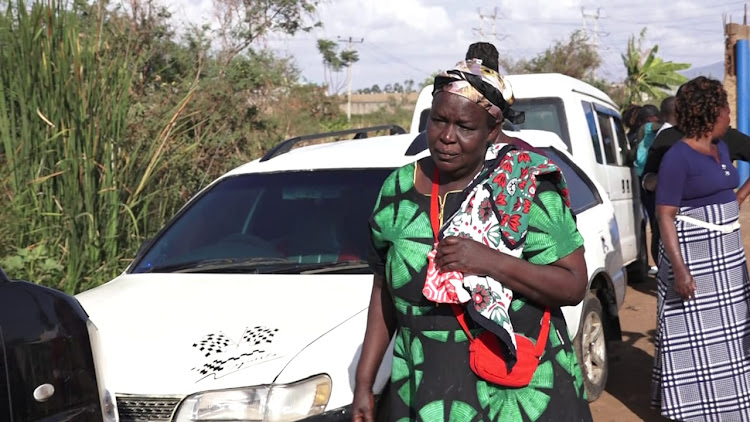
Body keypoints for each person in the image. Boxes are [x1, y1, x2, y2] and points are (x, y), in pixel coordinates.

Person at [352, 59, 592, 421]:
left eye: (465, 126)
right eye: (438, 121)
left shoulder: (524, 188)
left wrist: (490, 261)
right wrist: (364, 383)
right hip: (424, 383)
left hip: (514, 388)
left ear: (492, 131)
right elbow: (383, 290)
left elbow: (573, 286)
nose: (446, 137)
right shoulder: (396, 189)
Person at [651, 76, 750, 420]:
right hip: (694, 262)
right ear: (710, 112)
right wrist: (680, 270)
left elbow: (727, 189)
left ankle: (732, 408)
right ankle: (695, 411)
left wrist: (737, 199)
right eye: (724, 108)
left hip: (727, 260)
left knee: (732, 339)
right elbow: (664, 215)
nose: (729, 115)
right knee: (695, 344)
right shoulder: (678, 157)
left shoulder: (721, 148)